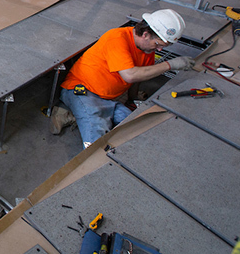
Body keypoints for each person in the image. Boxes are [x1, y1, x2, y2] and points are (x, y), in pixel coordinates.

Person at [52, 9, 194, 149]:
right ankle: (71, 114)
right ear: (145, 34)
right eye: (158, 44)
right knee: (96, 131)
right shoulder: (117, 38)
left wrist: (133, 98)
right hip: (80, 90)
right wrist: (170, 65)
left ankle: (75, 114)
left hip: (109, 99)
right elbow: (130, 75)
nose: (160, 50)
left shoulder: (147, 49)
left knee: (134, 125)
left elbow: (139, 76)